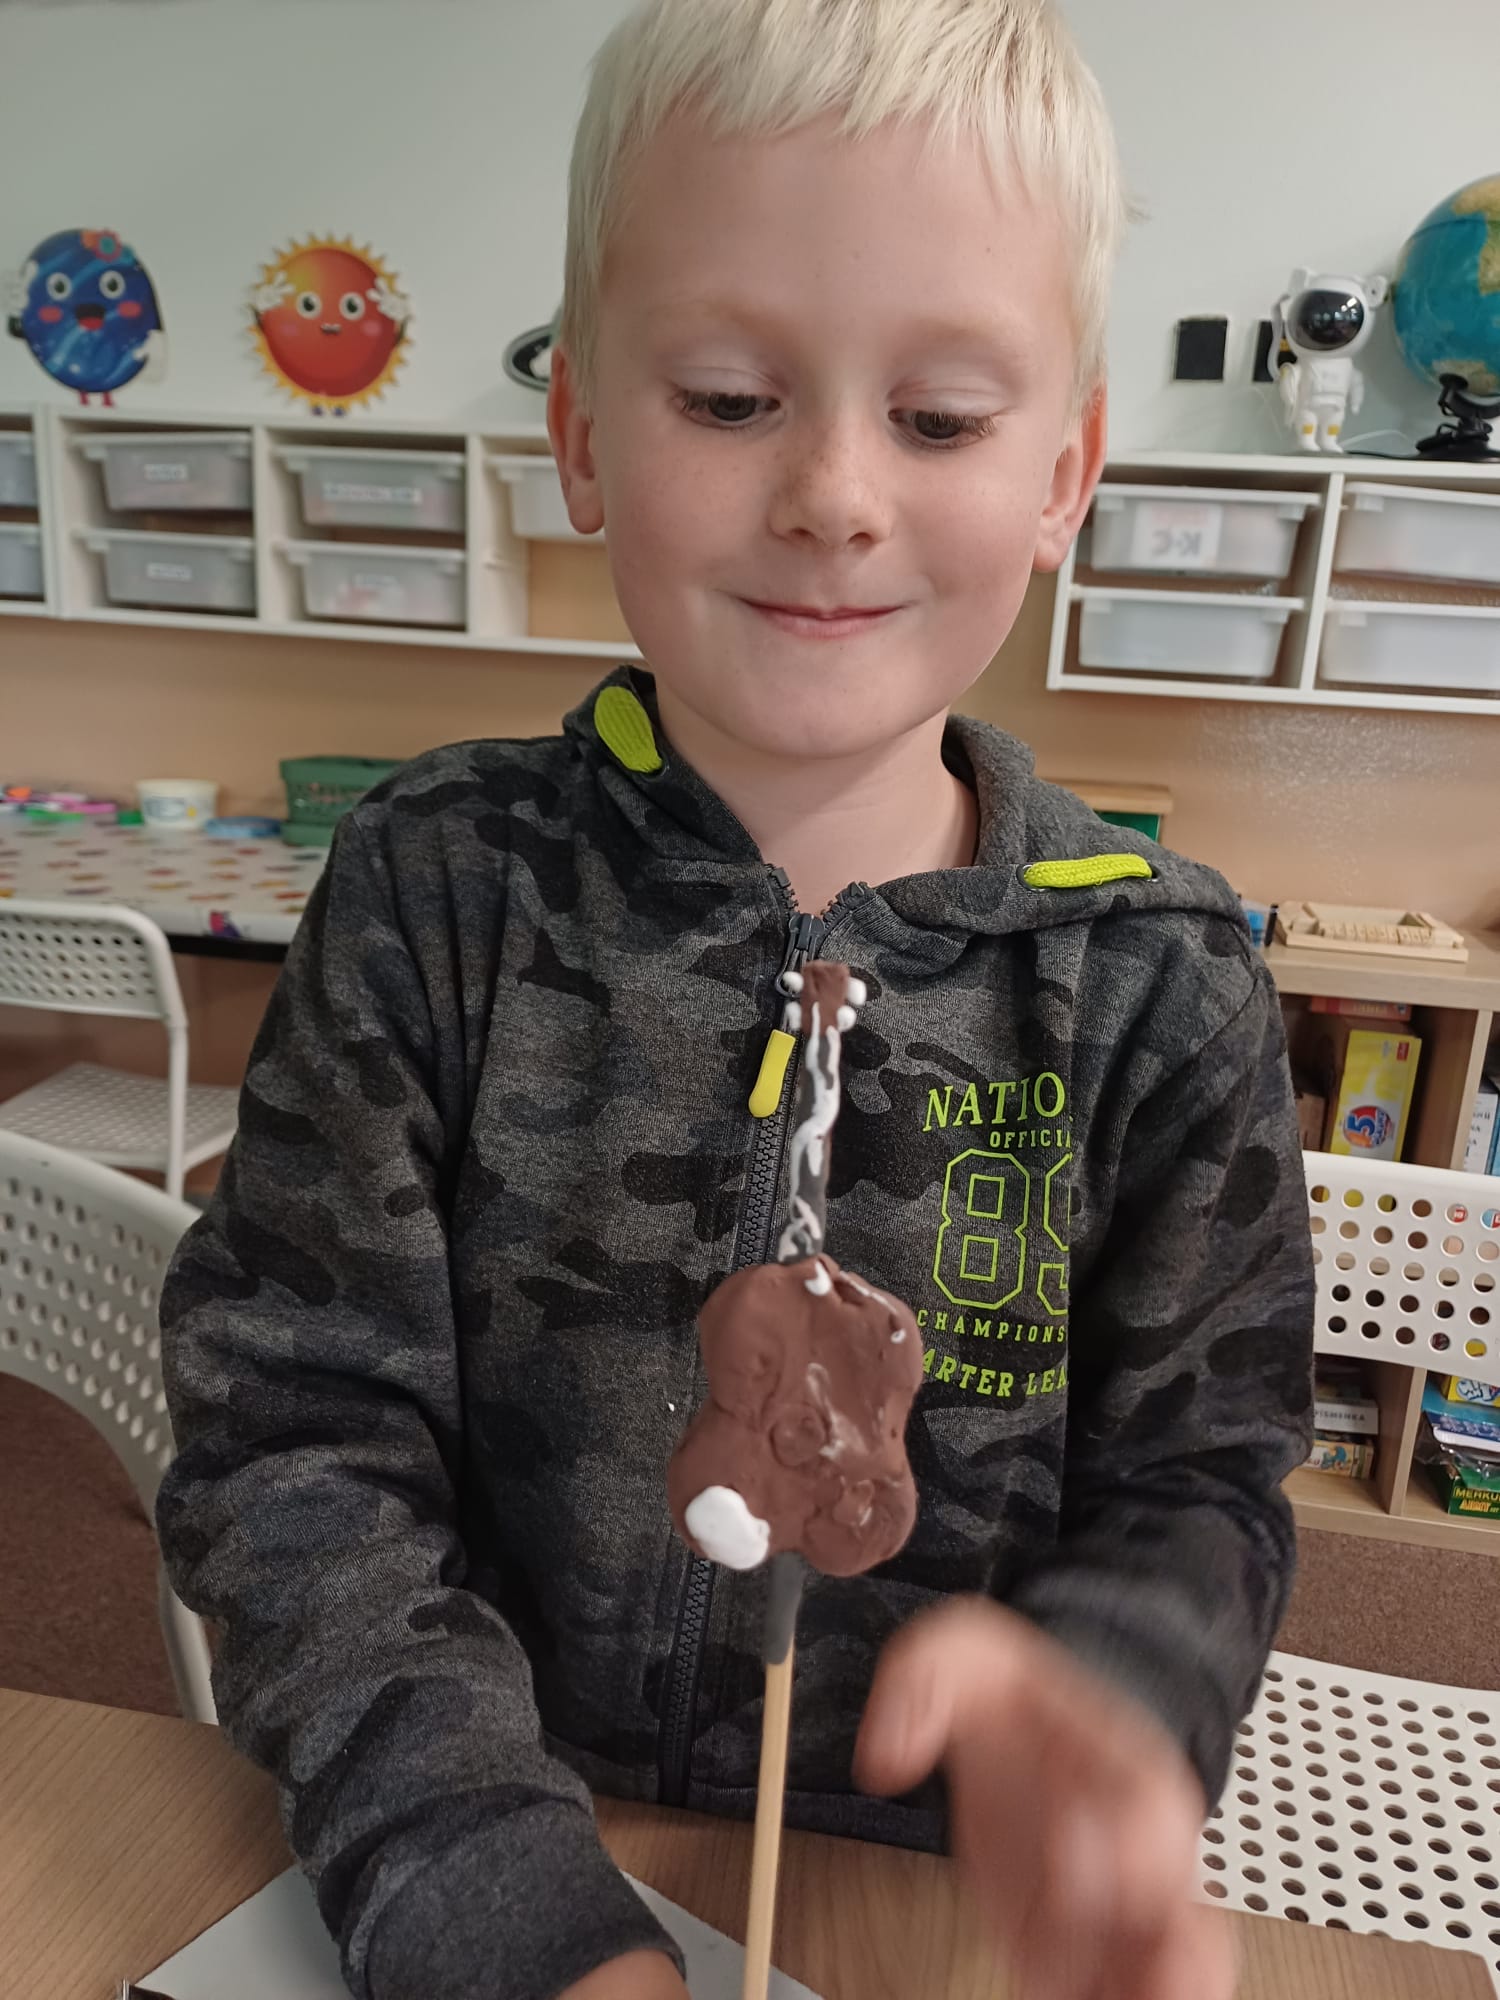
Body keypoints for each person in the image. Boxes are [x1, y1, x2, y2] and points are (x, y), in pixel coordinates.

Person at [155, 4, 1314, 1997]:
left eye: (939, 421)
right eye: (726, 397)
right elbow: (295, 1443)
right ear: (584, 438)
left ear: (1065, 472)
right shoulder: (437, 894)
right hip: (498, 1854)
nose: (836, 494)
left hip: (925, 1910)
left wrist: (1117, 1698)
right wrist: (491, 1897)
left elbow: (1203, 1478)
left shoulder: (1160, 984)